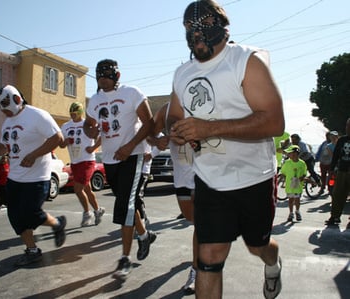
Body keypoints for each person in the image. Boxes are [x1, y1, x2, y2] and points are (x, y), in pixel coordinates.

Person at [167, 1, 284, 298]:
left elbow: (273, 121)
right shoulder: (182, 73)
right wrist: (177, 131)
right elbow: (174, 114)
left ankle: (273, 263)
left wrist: (210, 128)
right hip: (210, 180)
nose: (195, 32)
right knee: (208, 258)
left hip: (253, 177)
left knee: (257, 245)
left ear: (223, 25)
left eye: (203, 24)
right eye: (189, 28)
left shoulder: (246, 61)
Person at [83, 59, 156, 281]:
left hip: (132, 156)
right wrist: (90, 128)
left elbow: (149, 123)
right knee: (127, 204)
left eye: (106, 74)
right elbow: (88, 126)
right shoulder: (94, 100)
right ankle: (143, 235)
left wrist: (129, 146)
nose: (102, 78)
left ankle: (125, 258)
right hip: (110, 159)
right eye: (99, 74)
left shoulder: (132, 93)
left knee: (124, 204)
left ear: (117, 75)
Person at [0, 84, 67, 267]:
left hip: (37, 177)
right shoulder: (7, 123)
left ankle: (57, 224)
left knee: (31, 214)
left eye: (5, 103)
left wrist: (34, 155)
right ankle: (32, 250)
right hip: (15, 177)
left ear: (16, 99)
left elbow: (57, 138)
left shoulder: (37, 115)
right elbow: (5, 147)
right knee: (15, 217)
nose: (3, 109)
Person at [149, 102, 198, 294]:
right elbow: (150, 132)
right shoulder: (166, 110)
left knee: (201, 225)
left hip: (205, 172)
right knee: (191, 219)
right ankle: (203, 249)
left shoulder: (209, 100)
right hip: (182, 176)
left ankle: (197, 269)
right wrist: (157, 142)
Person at [60, 102, 105, 227]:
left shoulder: (87, 124)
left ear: (80, 113)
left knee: (78, 188)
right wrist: (65, 142)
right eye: (71, 114)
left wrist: (93, 148)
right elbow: (61, 144)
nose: (73, 116)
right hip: (75, 161)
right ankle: (98, 210)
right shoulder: (65, 126)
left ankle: (87, 213)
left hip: (87, 160)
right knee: (87, 189)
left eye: (75, 113)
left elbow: (101, 136)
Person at [325, 118, 350, 226]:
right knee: (337, 194)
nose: (347, 128)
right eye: (347, 126)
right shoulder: (342, 140)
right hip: (341, 171)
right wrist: (331, 169)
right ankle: (335, 216)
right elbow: (335, 156)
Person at [280, 145, 307, 222]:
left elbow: (305, 172)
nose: (289, 155)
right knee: (290, 199)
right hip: (289, 185)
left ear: (296, 153)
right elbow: (283, 173)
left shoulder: (302, 163)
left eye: (290, 153)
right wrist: (280, 181)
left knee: (297, 199)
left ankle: (297, 211)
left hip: (298, 185)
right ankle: (291, 213)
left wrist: (303, 177)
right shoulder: (287, 163)